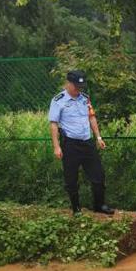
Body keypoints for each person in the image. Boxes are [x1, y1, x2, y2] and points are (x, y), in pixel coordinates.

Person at [49, 70, 114, 215]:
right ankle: (76, 208)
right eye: (76, 86)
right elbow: (53, 124)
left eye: (81, 86)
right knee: (71, 178)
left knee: (98, 175)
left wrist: (98, 137)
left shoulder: (85, 98)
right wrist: (56, 146)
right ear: (68, 83)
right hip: (70, 145)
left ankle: (100, 205)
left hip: (87, 143)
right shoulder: (58, 101)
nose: (78, 89)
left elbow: (92, 117)